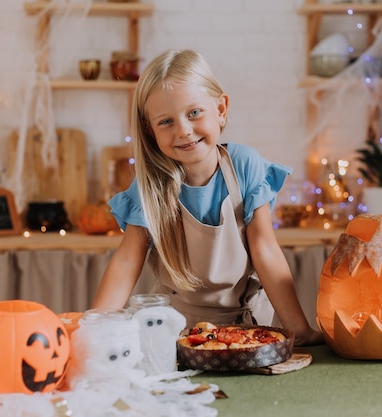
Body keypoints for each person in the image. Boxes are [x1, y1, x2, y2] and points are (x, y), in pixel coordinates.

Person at [92, 49, 323, 346]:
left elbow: (265, 249)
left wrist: (299, 330)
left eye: (194, 113)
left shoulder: (245, 166)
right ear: (150, 132)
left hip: (248, 328)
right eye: (166, 122)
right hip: (174, 334)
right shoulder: (150, 185)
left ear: (221, 109)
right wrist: (95, 330)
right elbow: (126, 262)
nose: (184, 131)